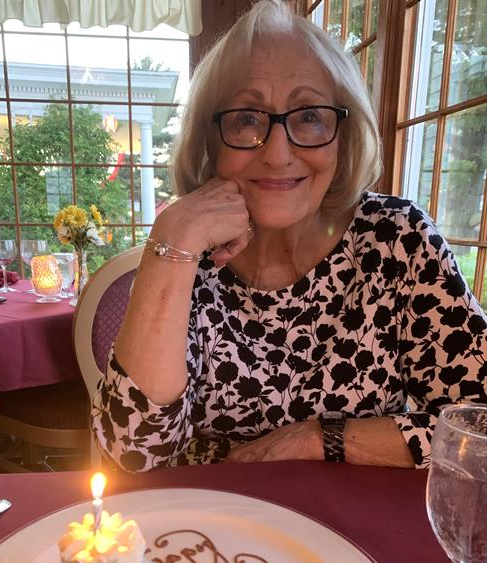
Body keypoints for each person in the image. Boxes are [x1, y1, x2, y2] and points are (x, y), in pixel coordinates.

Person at [92, 0, 487, 472]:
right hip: (211, 512)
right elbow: (130, 459)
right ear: (209, 141)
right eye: (246, 118)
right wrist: (169, 245)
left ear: (344, 135)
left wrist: (318, 439)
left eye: (309, 116)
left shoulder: (396, 239)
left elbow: (480, 424)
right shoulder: (186, 253)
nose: (278, 154)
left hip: (353, 516)